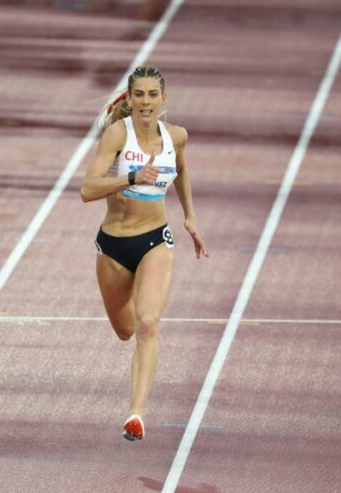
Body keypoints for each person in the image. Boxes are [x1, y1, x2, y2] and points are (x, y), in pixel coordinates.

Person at [80, 66, 209, 441]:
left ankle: (135, 414)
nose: (147, 102)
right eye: (140, 95)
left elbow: (182, 171)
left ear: (163, 99)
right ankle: (138, 374)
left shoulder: (177, 137)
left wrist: (190, 217)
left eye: (153, 95)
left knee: (149, 323)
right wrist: (132, 177)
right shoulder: (118, 135)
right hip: (114, 246)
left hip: (156, 240)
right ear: (131, 99)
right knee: (126, 330)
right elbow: (88, 189)